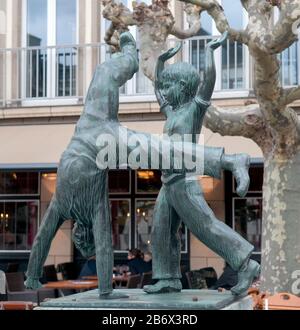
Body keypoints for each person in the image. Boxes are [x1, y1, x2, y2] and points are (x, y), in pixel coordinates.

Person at [143, 32, 260, 296]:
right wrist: (160, 63)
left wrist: (208, 51)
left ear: (183, 87)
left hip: (184, 182)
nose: (165, 91)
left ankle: (246, 263)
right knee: (161, 232)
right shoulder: (171, 112)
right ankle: (167, 278)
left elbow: (208, 81)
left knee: (206, 227)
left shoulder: (194, 110)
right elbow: (157, 91)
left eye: (169, 86)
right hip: (167, 183)